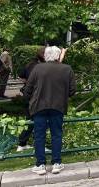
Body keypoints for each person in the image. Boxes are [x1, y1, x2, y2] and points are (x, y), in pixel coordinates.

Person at [23, 46, 76, 176]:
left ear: (46, 56)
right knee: (56, 134)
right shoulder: (67, 69)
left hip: (38, 107)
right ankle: (56, 163)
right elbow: (72, 91)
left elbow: (27, 89)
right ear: (58, 56)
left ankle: (40, 164)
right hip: (58, 106)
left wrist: (31, 98)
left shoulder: (38, 68)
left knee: (39, 136)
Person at [17, 47, 45, 152]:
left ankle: (23, 142)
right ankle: (24, 142)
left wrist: (27, 83)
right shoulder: (40, 67)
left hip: (28, 94)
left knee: (30, 119)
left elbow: (21, 76)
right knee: (35, 119)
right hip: (35, 95)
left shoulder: (30, 64)